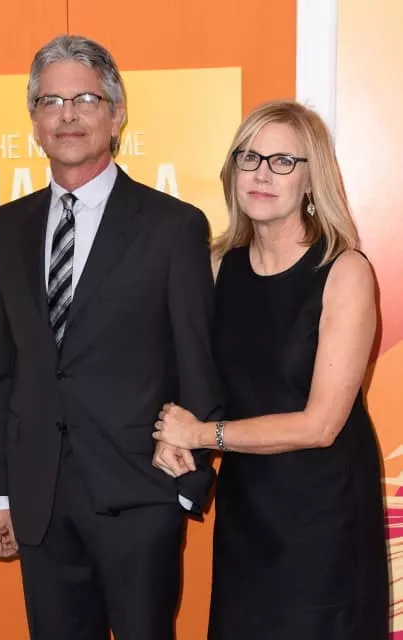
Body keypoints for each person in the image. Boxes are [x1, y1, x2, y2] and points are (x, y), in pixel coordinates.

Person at [0, 34, 222, 640]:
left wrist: (186, 489)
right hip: (39, 504)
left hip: (140, 501)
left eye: (85, 99)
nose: (68, 115)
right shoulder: (6, 228)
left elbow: (198, 363)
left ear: (116, 114)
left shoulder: (173, 226)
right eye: (51, 101)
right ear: (34, 121)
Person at [153, 100, 389, 639]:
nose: (262, 174)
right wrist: (169, 433)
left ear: (311, 180)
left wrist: (201, 434)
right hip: (248, 510)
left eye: (283, 162)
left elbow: (320, 425)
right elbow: (184, 373)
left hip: (326, 515)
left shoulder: (344, 271)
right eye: (250, 157)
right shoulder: (216, 267)